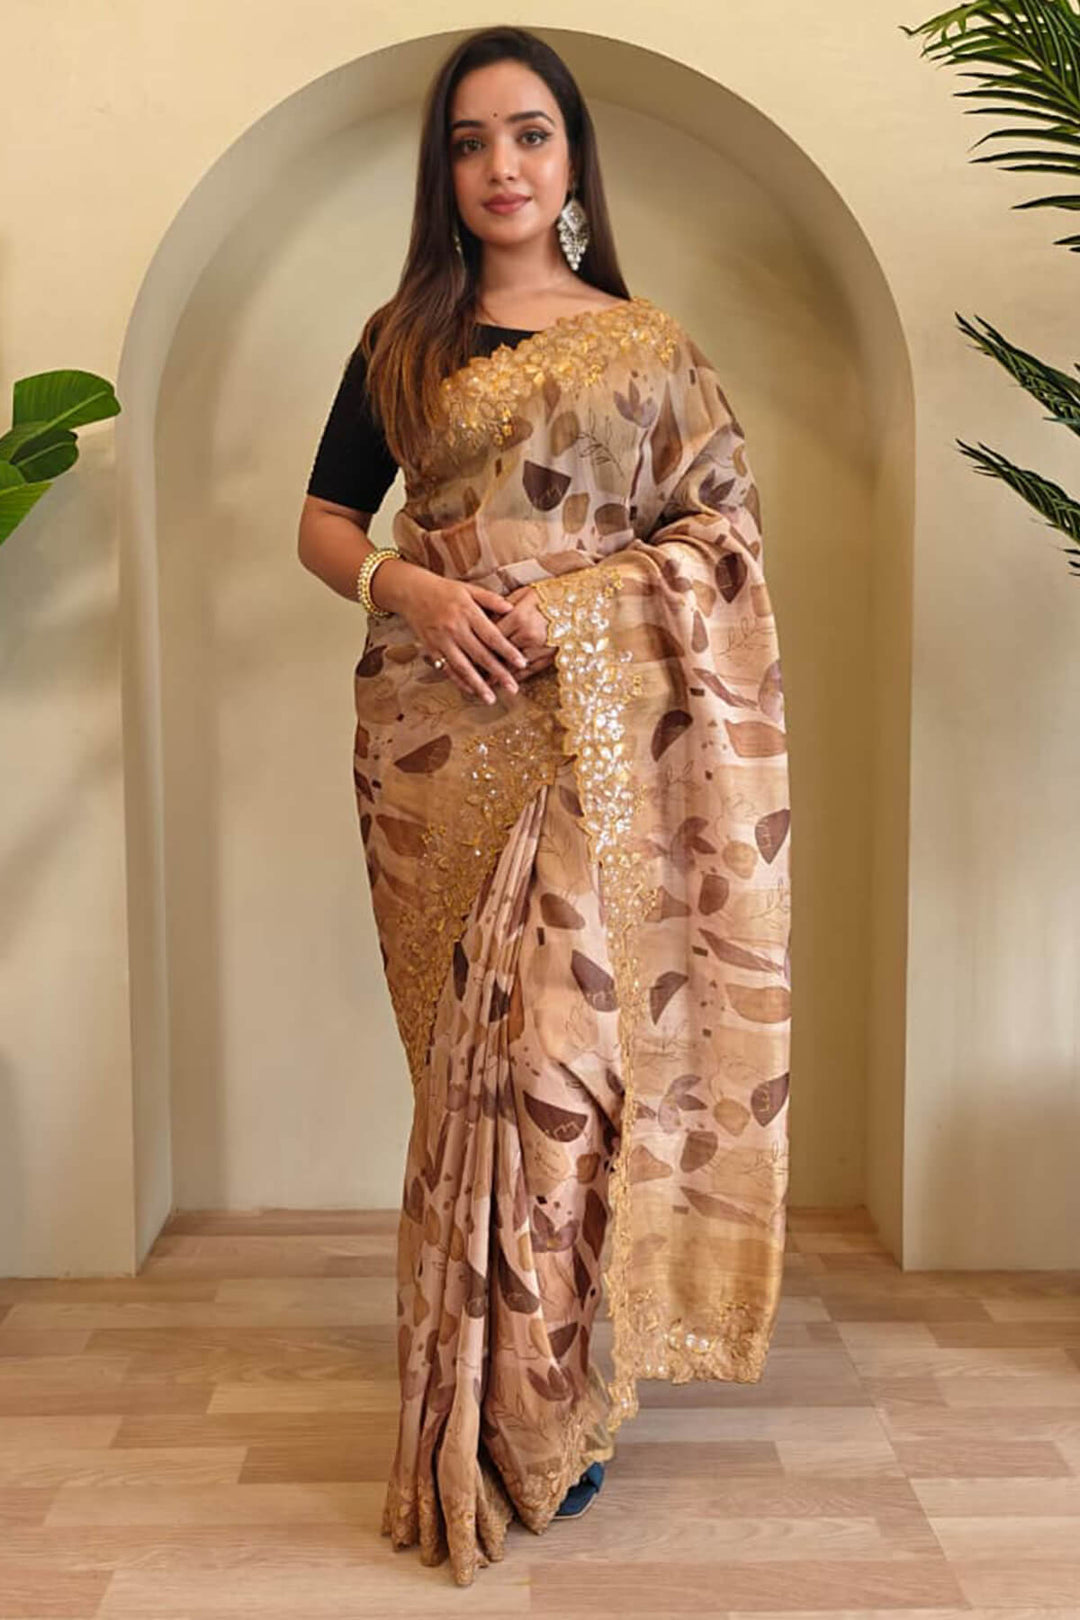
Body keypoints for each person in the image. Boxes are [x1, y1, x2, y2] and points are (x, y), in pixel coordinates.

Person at [297, 23, 792, 1589]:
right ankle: (488, 1396)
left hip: (598, 749)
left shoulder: (646, 349)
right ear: (442, 172)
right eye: (469, 142)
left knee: (563, 1071)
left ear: (573, 161)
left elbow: (723, 540)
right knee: (470, 1083)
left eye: (528, 135)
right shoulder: (403, 341)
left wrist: (575, 606)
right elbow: (323, 524)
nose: (500, 166)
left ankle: (542, 1407)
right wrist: (415, 592)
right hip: (431, 752)